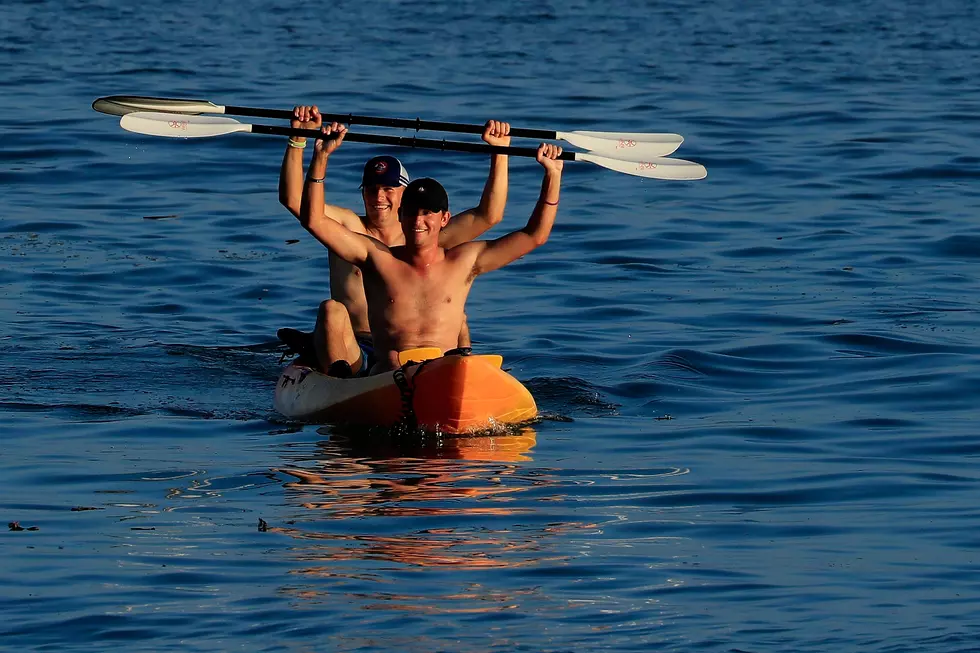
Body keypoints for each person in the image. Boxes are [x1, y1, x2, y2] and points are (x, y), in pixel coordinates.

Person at [298, 122, 563, 374]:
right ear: (401, 216)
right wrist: (321, 158)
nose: (418, 221)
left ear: (444, 219)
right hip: (387, 374)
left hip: (444, 372)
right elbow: (314, 220)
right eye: (412, 213)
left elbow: (534, 236)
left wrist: (552, 175)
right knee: (375, 349)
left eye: (428, 213)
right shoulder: (376, 258)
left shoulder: (465, 260)